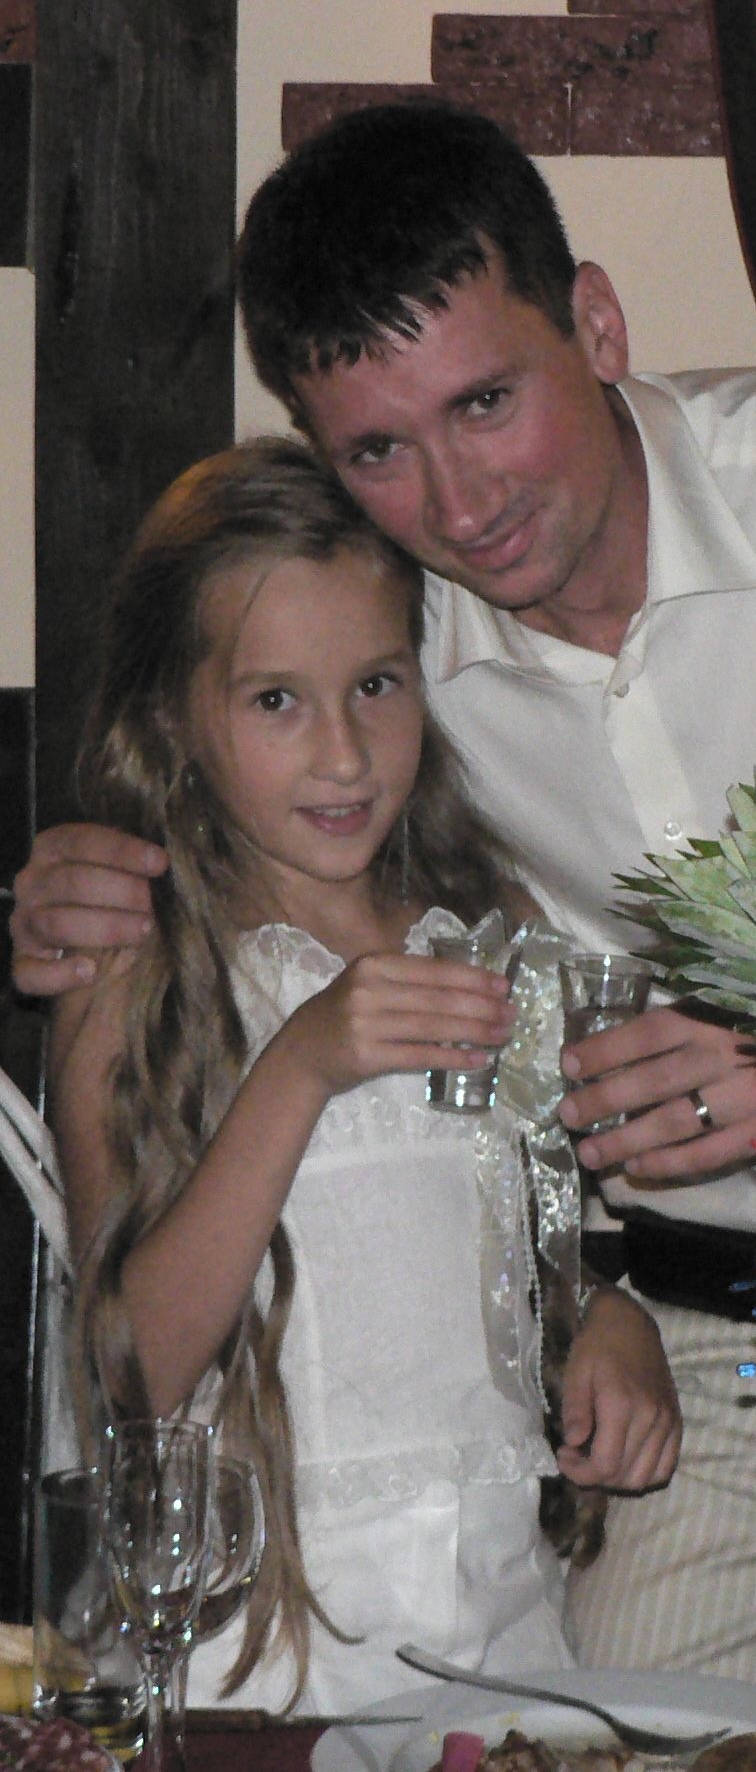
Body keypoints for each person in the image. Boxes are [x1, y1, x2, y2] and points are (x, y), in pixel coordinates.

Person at [14, 101, 756, 1678]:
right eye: (378, 451)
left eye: (485, 400)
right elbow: (240, 748)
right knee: (615, 1706)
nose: (457, 500)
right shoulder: (386, 652)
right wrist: (97, 874)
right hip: (721, 1319)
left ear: (598, 324)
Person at [46, 436, 680, 1716]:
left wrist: (608, 1321)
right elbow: (134, 1370)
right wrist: (302, 1064)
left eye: (376, 685)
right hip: (251, 1660)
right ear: (173, 719)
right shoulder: (131, 965)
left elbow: (525, 1246)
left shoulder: (490, 928)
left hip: (498, 1632)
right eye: (275, 701)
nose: (343, 753)